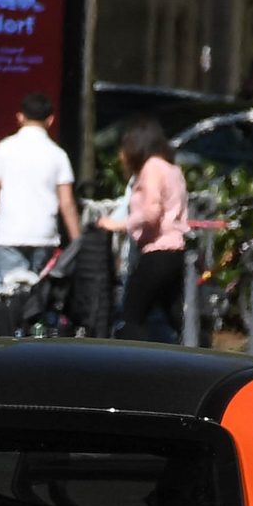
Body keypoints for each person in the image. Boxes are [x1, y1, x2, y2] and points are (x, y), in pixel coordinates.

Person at [0, 91, 78, 285]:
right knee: (37, 301)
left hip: (9, 235)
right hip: (44, 236)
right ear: (50, 120)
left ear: (19, 117)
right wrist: (78, 242)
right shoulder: (58, 155)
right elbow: (66, 203)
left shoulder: (3, 149)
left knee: (8, 301)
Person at [101, 116, 186, 341]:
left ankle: (130, 367)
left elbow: (150, 213)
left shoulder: (152, 167)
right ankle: (202, 355)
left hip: (156, 253)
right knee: (177, 319)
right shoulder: (172, 168)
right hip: (176, 253)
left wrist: (117, 224)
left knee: (131, 317)